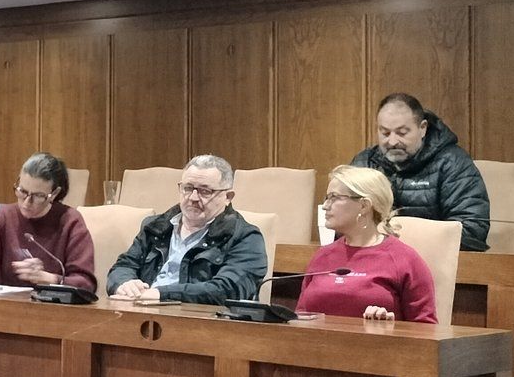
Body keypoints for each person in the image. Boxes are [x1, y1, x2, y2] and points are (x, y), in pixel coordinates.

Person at [106, 154, 267, 303]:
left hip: (200, 323)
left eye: (205, 191)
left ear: (227, 197)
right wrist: (124, 283)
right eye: (188, 188)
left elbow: (227, 290)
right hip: (142, 312)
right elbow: (123, 266)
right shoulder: (156, 226)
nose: (193, 198)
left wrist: (162, 294)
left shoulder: (246, 237)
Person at [350, 93, 490, 251]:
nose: (393, 141)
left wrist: (406, 243)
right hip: (372, 261)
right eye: (385, 133)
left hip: (434, 261)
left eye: (402, 133)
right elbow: (342, 222)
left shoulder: (452, 163)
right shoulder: (365, 163)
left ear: (422, 128)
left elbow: (472, 230)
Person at [295, 166, 437, 323]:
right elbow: (301, 317)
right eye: (326, 198)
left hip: (380, 346)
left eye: (334, 197)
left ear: (364, 205)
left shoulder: (404, 259)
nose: (326, 206)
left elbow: (426, 330)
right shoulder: (323, 255)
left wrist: (391, 327)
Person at [0, 152, 96, 292]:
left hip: (54, 312)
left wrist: (50, 279)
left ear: (55, 194)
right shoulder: (4, 218)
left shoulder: (70, 222)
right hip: (5, 309)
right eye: (22, 191)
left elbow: (86, 283)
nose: (26, 202)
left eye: (38, 196)